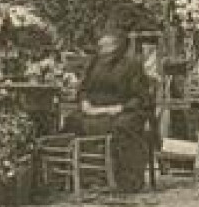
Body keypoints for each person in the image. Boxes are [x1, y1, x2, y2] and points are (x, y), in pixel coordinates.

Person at [65, 24, 153, 193]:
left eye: (108, 46)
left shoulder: (132, 66)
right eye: (101, 46)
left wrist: (119, 108)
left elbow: (141, 98)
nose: (104, 50)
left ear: (119, 46)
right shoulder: (94, 64)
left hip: (122, 111)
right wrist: (84, 102)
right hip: (94, 110)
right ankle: (86, 176)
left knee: (121, 127)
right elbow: (84, 88)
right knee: (73, 121)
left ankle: (121, 178)